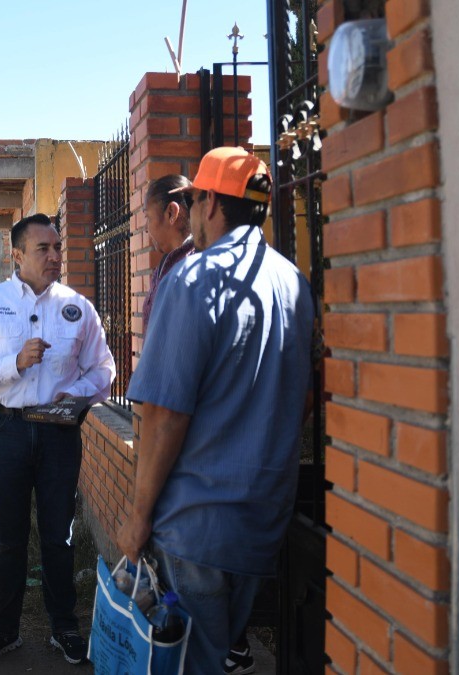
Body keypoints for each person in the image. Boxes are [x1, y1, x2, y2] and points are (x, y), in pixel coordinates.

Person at [119, 147, 315, 674]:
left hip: (196, 527)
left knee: (186, 663)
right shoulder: (293, 283)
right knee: (221, 653)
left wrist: (138, 519)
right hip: (262, 521)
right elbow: (304, 398)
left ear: (208, 203)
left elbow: (164, 416)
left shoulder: (192, 280)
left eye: (195, 201)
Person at [0, 213, 115, 667]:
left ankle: (65, 628)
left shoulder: (77, 308)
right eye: (43, 248)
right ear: (17, 255)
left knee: (59, 537)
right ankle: (4, 630)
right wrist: (14, 363)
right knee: (10, 539)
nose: (54, 256)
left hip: (59, 432)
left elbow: (104, 370)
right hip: (5, 431)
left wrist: (76, 392)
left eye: (57, 247)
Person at [141, 174, 196, 331]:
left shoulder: (192, 269)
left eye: (148, 217)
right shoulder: (168, 264)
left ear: (171, 213)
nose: (146, 228)